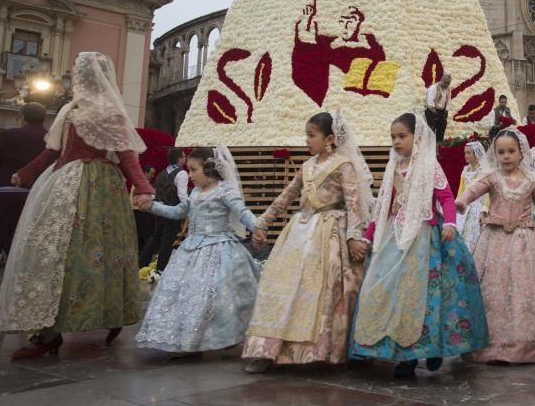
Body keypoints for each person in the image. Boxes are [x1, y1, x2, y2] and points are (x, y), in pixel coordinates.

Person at [0, 53, 153, 359]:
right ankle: (47, 327)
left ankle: (107, 313)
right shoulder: (69, 111)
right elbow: (52, 151)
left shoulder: (110, 113)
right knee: (50, 251)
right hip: (63, 183)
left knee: (96, 252)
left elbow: (126, 155)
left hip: (98, 188)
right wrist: (26, 173)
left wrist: (143, 187)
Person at [349, 113, 488, 377]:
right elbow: (382, 208)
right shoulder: (393, 169)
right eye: (393, 137)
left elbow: (446, 197)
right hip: (395, 239)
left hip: (426, 238)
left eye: (402, 136)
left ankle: (432, 347)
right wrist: (368, 235)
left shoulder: (429, 166)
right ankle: (405, 356)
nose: (396, 141)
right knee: (395, 294)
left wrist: (449, 223)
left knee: (429, 296)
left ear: (418, 137)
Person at [242, 111, 373, 372]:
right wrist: (263, 222)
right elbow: (287, 195)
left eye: (311, 135)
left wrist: (353, 237)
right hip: (300, 230)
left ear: (330, 138)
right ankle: (266, 349)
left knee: (322, 289)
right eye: (307, 135)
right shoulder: (307, 166)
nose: (307, 140)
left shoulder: (343, 164)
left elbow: (354, 204)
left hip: (330, 232)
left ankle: (316, 350)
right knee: (282, 285)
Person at [135, 146, 261, 356]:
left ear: (209, 169)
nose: (190, 175)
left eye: (194, 170)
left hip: (219, 247)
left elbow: (243, 213)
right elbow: (178, 212)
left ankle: (224, 336)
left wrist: (257, 227)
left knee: (216, 293)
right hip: (191, 249)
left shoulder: (224, 191)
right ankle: (183, 339)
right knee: (183, 292)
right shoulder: (194, 193)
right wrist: (152, 207)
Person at [457, 127, 535, 363]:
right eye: (500, 152)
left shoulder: (532, 179)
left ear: (521, 153)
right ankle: (489, 343)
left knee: (524, 291)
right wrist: (463, 200)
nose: (505, 156)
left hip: (524, 242)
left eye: (510, 151)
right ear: (494, 155)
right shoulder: (493, 177)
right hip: (493, 242)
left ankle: (523, 345)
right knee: (492, 291)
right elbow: (475, 188)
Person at [0, 104, 49, 312]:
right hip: (35, 196)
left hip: (5, 193)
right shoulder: (50, 139)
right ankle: (20, 293)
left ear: (22, 117)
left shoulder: (9, 135)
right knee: (26, 245)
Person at [139, 148, 189, 272]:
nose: (185, 158)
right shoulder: (182, 173)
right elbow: (182, 195)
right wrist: (188, 209)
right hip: (173, 210)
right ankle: (161, 268)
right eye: (183, 156)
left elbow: (156, 192)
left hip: (159, 210)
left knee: (156, 237)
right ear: (178, 159)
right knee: (168, 240)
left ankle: (142, 262)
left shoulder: (162, 173)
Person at [455, 141, 488, 252]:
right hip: (465, 206)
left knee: (472, 235)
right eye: (465, 153)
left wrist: (484, 209)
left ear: (476, 154)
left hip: (477, 207)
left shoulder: (483, 171)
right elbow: (461, 190)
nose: (466, 155)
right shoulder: (465, 170)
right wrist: (457, 205)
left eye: (469, 153)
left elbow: (487, 192)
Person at [424, 73, 451, 142]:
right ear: (441, 80)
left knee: (441, 130)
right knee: (431, 131)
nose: (446, 85)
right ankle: (430, 148)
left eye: (448, 83)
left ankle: (438, 147)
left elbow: (448, 101)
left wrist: (446, 111)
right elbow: (429, 103)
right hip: (432, 111)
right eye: (445, 82)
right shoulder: (433, 88)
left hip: (441, 112)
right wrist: (435, 113)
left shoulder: (448, 89)